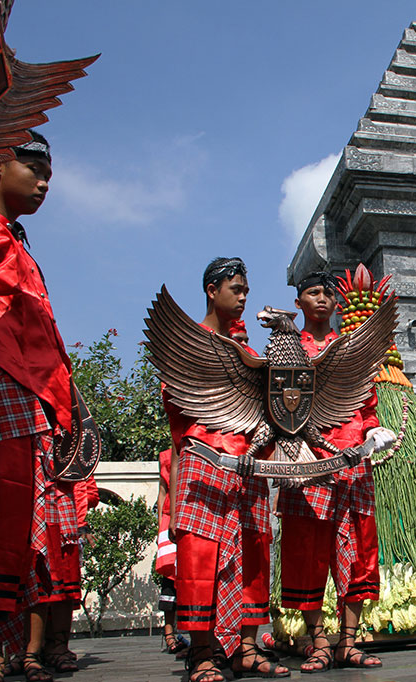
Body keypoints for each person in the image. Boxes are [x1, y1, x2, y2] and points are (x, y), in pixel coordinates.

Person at [0, 132, 75, 680]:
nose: (44, 179)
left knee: (0, 550)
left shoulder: (15, 244)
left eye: (49, 169)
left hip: (20, 405)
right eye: (32, 164)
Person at [164, 257, 289, 681]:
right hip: (205, 458)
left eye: (246, 290)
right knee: (201, 553)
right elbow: (176, 406)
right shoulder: (189, 343)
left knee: (254, 552)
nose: (243, 296)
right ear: (211, 290)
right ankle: (202, 652)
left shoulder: (252, 354)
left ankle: (247, 647)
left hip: (249, 464)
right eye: (235, 288)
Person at [277, 271, 394, 673]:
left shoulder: (351, 350)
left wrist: (373, 429)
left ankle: (349, 640)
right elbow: (278, 408)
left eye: (329, 293)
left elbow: (367, 403)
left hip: (354, 462)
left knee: (358, 551)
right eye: (313, 293)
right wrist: (293, 451)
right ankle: (319, 641)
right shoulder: (288, 350)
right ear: (299, 303)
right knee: (308, 550)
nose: (323, 299)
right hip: (307, 465)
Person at [155, 447, 188, 658]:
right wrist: (161, 525)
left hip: (192, 515)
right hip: (170, 518)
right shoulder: (166, 456)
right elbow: (162, 491)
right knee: (170, 577)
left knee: (193, 576)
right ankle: (169, 633)